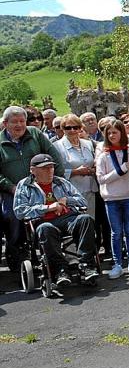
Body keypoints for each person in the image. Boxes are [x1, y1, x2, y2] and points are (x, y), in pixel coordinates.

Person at [13, 153, 98, 286]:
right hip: (42, 221)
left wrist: (66, 200)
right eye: (45, 168)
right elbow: (20, 211)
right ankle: (60, 269)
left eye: (51, 167)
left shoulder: (61, 181)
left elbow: (83, 202)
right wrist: (48, 208)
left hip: (67, 218)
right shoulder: (24, 185)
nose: (49, 171)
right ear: (33, 170)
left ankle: (86, 264)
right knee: (46, 229)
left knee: (85, 219)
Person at [1, 106, 66, 272]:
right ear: (5, 123)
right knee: (13, 217)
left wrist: (56, 182)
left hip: (43, 186)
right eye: (14, 122)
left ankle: (51, 251)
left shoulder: (35, 134)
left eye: (22, 121)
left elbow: (55, 157)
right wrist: (11, 187)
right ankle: (17, 257)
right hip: (13, 190)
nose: (19, 125)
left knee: (52, 212)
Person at [96, 119, 129, 278]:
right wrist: (119, 171)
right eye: (109, 133)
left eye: (115, 132)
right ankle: (117, 263)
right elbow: (101, 179)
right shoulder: (103, 156)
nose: (111, 135)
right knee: (116, 232)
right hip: (111, 199)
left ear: (121, 133)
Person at [53, 114, 99, 219]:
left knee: (91, 220)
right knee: (77, 222)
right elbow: (55, 172)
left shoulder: (88, 144)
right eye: (68, 128)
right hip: (71, 192)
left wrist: (92, 170)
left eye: (76, 127)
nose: (72, 130)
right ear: (62, 129)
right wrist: (76, 172)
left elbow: (93, 162)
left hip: (90, 189)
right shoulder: (57, 146)